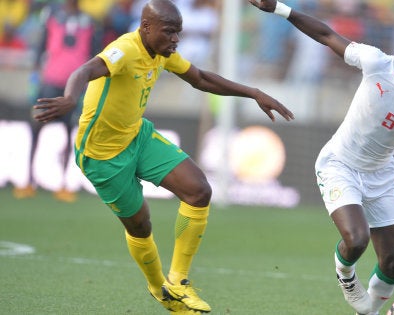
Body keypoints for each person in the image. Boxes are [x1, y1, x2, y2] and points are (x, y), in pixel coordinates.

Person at [33, 0, 294, 314]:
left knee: (199, 190)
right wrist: (68, 98)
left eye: (178, 33)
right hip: (102, 157)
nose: (175, 39)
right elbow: (85, 69)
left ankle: (178, 281)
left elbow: (201, 79)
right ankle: (159, 288)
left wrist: (253, 92)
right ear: (145, 28)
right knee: (141, 226)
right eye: (169, 32)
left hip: (137, 137)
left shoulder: (161, 53)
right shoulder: (126, 50)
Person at [250, 1, 394, 314]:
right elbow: (324, 34)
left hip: (381, 172)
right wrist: (279, 9)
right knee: (357, 239)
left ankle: (370, 311)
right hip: (340, 164)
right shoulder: (375, 61)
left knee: (393, 260)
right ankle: (346, 276)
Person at [12, 0, 102, 202]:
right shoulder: (52, 17)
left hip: (75, 85)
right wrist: (35, 78)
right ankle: (27, 180)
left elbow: (95, 54)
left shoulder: (89, 22)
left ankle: (63, 183)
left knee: (70, 131)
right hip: (50, 82)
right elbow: (41, 46)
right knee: (36, 128)